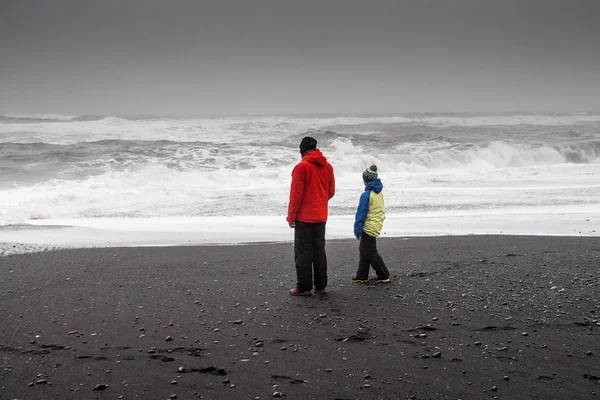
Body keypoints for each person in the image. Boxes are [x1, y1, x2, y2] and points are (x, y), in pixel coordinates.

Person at [287, 136, 335, 296]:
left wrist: (291, 217)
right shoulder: (327, 166)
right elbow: (331, 191)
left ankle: (304, 287)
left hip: (304, 218)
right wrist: (319, 202)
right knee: (319, 251)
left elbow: (296, 196)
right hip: (321, 216)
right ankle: (321, 286)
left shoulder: (302, 167)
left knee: (303, 253)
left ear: (302, 151)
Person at [352, 165, 390, 283]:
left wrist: (357, 230)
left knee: (370, 252)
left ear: (366, 180)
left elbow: (361, 215)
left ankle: (384, 274)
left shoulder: (366, 195)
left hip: (368, 226)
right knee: (364, 250)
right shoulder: (379, 193)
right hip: (376, 224)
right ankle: (361, 276)